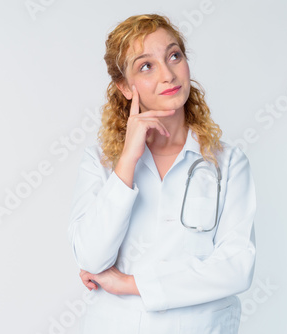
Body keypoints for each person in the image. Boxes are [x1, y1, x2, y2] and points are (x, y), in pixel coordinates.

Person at [67, 14, 256, 334]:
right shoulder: (101, 162)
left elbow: (236, 269)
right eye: (146, 65)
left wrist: (131, 283)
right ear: (125, 87)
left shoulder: (228, 162)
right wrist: (128, 160)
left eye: (174, 56)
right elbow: (91, 256)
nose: (168, 74)